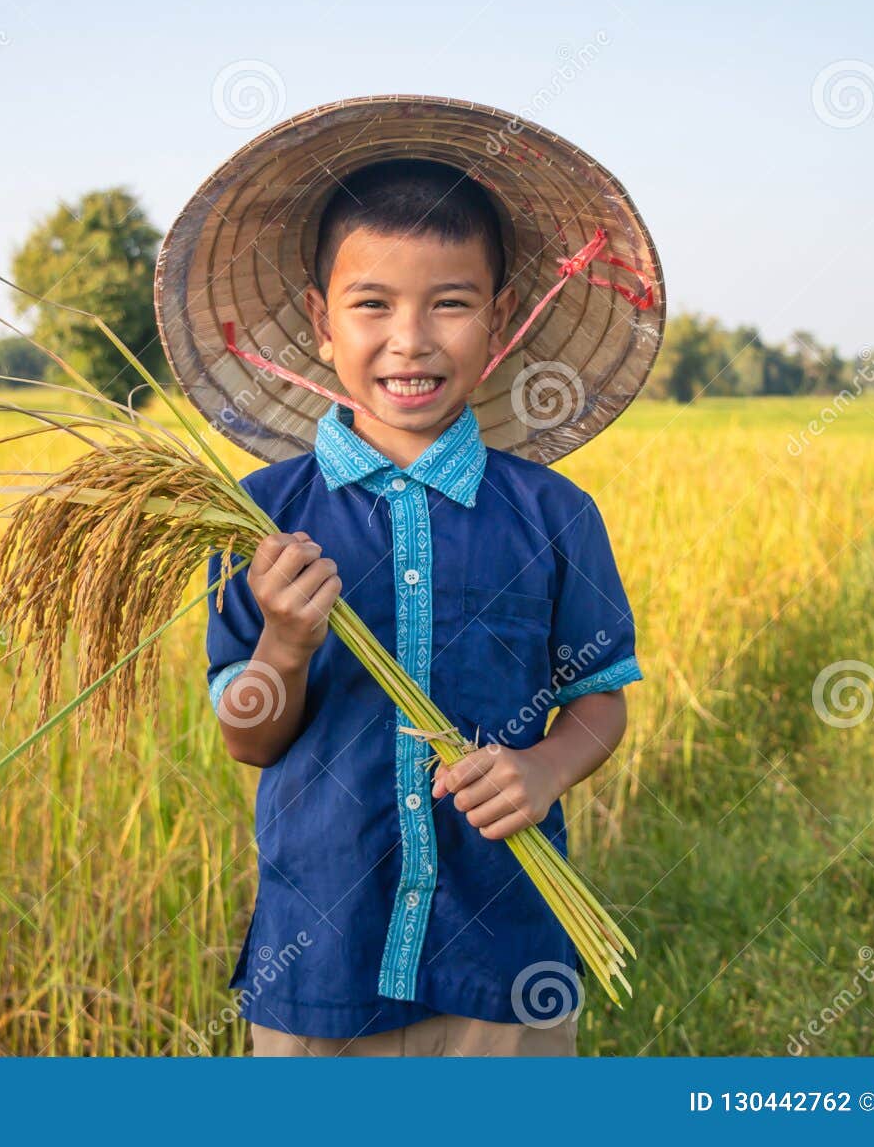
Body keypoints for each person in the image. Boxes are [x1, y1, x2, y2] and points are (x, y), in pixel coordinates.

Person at [152, 95, 665, 1056]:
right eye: (373, 303)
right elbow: (247, 738)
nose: (411, 339)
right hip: (319, 963)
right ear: (320, 320)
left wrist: (545, 770)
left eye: (451, 303)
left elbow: (600, 702)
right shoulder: (256, 519)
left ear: (500, 316)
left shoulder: (555, 516)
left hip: (506, 958)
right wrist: (286, 642)